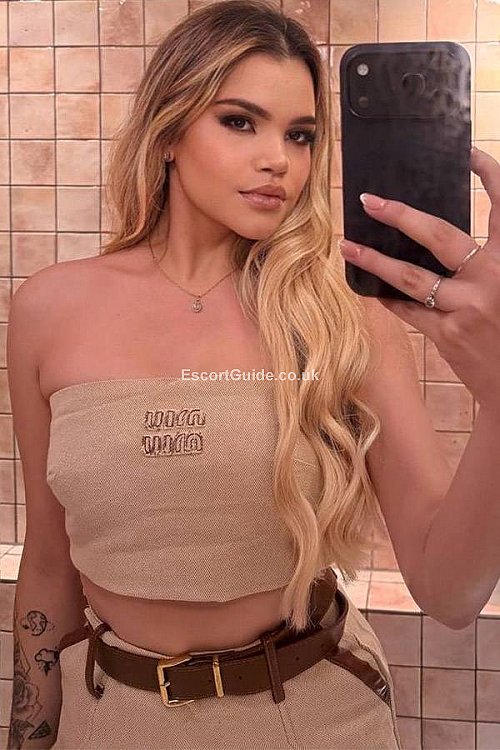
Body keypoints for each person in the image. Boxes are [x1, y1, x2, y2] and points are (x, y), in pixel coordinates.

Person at [8, 0, 500, 748]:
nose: (280, 160)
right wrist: (30, 736)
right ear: (168, 132)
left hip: (314, 720)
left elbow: (451, 592)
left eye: (301, 135)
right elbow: (48, 569)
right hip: (110, 722)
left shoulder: (341, 312)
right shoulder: (49, 308)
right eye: (241, 122)